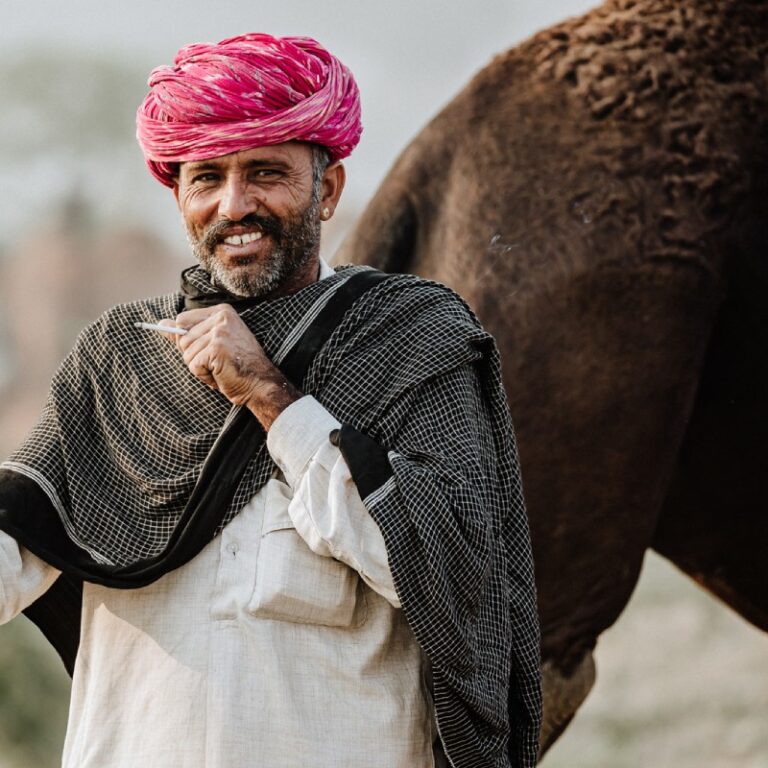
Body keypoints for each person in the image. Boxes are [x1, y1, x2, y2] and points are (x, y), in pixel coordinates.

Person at [0, 34, 541, 768]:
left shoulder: (411, 340)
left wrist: (271, 397)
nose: (236, 204)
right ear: (179, 196)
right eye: (207, 177)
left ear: (330, 188)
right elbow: (17, 548)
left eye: (265, 173)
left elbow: (453, 579)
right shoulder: (122, 360)